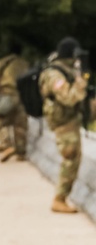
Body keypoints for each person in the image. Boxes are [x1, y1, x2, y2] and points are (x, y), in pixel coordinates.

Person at [40, 36, 91, 214]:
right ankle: (59, 199)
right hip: (63, 123)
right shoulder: (54, 74)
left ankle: (61, 198)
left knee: (73, 158)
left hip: (69, 120)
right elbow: (70, 98)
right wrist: (81, 80)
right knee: (70, 159)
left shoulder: (63, 70)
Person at [0, 43, 29, 161]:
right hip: (21, 96)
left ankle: (6, 144)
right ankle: (21, 152)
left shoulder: (2, 63)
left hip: (5, 95)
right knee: (20, 124)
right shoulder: (24, 63)